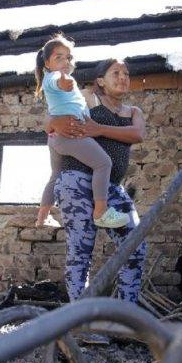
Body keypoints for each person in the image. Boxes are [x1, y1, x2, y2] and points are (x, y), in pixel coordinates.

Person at [48, 58, 147, 303]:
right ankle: (80, 321)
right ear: (100, 81)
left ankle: (125, 314)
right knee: (80, 252)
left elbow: (137, 134)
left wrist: (99, 129)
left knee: (135, 245)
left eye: (126, 73)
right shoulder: (88, 98)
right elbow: (53, 119)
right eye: (116, 72)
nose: (123, 77)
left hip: (111, 187)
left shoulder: (134, 112)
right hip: (77, 181)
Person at [34, 35, 129, 229]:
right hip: (69, 136)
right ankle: (101, 213)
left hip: (56, 138)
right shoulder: (55, 77)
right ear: (47, 63)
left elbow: (77, 106)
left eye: (68, 58)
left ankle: (42, 217)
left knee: (55, 175)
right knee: (103, 163)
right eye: (58, 58)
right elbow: (56, 82)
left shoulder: (66, 79)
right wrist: (63, 81)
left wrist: (89, 120)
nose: (65, 62)